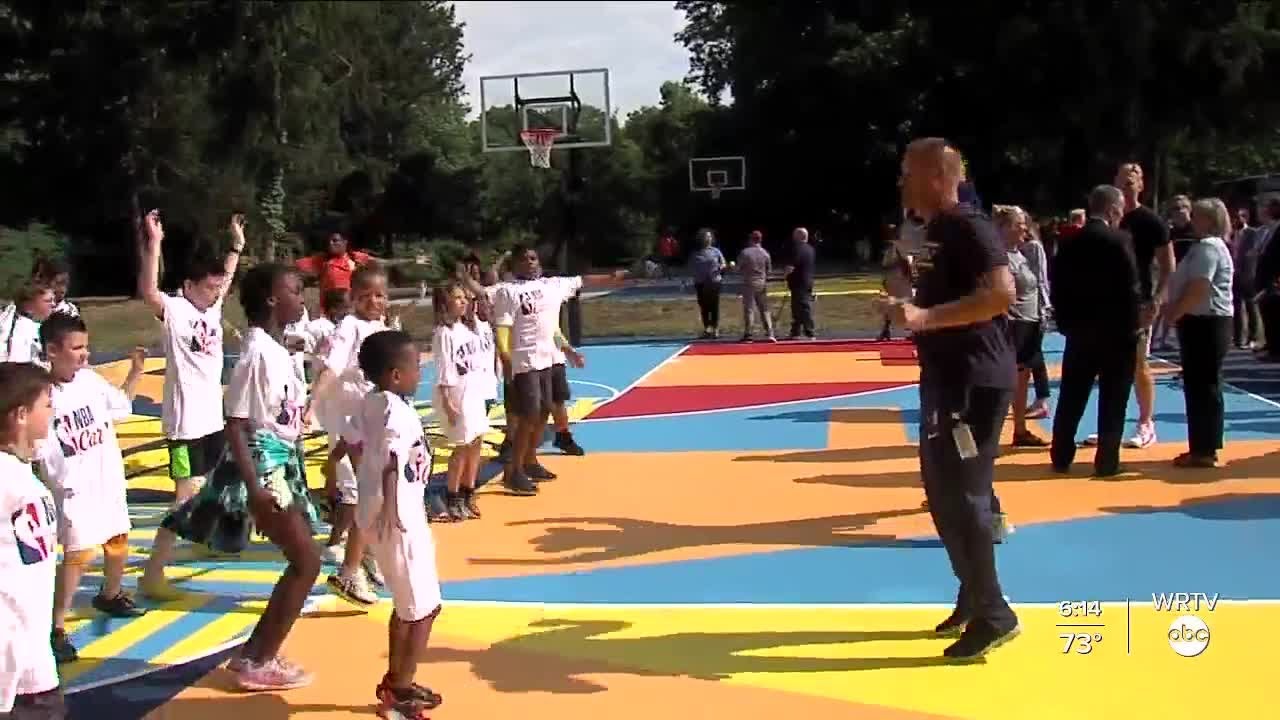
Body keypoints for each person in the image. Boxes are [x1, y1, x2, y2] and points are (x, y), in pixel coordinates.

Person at [879, 137, 1019, 659]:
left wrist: (924, 317)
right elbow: (938, 294)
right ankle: (973, 590)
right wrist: (907, 302)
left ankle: (995, 611)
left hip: (973, 379)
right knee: (941, 491)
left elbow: (1002, 293)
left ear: (938, 175)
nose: (902, 182)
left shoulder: (968, 224)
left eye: (908, 172)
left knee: (964, 493)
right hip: (945, 377)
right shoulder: (935, 231)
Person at [163, 263, 321, 690]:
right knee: (307, 562)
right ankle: (259, 660)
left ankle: (255, 653)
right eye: (294, 290)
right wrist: (256, 486)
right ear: (271, 299)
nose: (301, 297)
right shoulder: (255, 354)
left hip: (282, 460)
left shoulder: (277, 348)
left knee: (303, 562)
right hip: (265, 467)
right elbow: (235, 423)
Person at [136, 211, 243, 601]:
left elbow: (226, 277)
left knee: (214, 484)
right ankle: (152, 574)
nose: (217, 294)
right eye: (210, 288)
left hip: (211, 418)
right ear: (188, 285)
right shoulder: (176, 310)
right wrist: (154, 244)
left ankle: (204, 534)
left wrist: (236, 245)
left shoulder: (210, 309)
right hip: (185, 426)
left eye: (218, 290)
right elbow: (148, 290)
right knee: (184, 497)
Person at [37, 314, 147, 665]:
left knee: (118, 541)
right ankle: (54, 627)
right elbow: (35, 445)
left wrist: (136, 371)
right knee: (78, 556)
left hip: (107, 480)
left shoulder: (89, 381)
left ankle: (110, 594)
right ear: (52, 351)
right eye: (77, 348)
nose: (85, 354)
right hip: (74, 489)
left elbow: (122, 406)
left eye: (86, 346)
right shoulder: (42, 393)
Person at [353, 330, 445, 718]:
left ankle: (398, 678)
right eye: (414, 367)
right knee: (424, 609)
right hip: (399, 519)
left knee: (408, 605)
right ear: (394, 375)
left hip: (394, 515)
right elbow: (392, 459)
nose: (419, 372)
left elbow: (364, 450)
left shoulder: (374, 403)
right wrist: (391, 508)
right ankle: (399, 693)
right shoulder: (395, 412)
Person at [1049, 185, 1142, 476]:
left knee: (1072, 395)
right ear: (1114, 209)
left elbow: (1057, 286)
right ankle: (1107, 460)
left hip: (1079, 330)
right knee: (1114, 398)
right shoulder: (1120, 240)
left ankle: (1061, 454)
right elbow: (1131, 288)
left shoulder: (1069, 242)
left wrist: (1065, 323)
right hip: (1116, 331)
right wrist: (1135, 326)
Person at [312, 264, 390, 606]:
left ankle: (366, 554)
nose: (374, 301)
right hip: (351, 425)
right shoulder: (350, 328)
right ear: (353, 297)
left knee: (379, 495)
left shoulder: (379, 327)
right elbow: (332, 368)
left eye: (380, 295)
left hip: (375, 422)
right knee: (363, 497)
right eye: (366, 295)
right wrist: (312, 402)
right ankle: (349, 570)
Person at [492, 246, 582, 495]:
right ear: (515, 265)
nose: (530, 263)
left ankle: (530, 460)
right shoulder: (508, 292)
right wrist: (506, 359)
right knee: (528, 415)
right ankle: (513, 470)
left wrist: (619, 276)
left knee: (543, 412)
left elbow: (583, 282)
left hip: (548, 359)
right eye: (525, 259)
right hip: (526, 361)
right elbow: (502, 329)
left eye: (533, 258)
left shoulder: (551, 286)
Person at [0, 363, 61, 719]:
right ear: (21, 414)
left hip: (34, 659)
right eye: (47, 404)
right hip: (13, 669)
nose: (52, 412)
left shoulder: (21, 471)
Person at [1163, 199, 1235, 467]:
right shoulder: (1205, 247)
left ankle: (1205, 449)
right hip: (1204, 320)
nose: (1191, 221)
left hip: (1206, 321)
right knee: (1199, 383)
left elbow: (1200, 287)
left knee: (1203, 384)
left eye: (1197, 216)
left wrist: (1175, 312)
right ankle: (1202, 446)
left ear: (1208, 219)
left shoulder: (1208, 249)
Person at [1110, 163, 1172, 449]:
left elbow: (1167, 265)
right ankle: (1111, 424)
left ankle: (1147, 423)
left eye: (1132, 180)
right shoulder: (1109, 218)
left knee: (1138, 362)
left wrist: (1157, 299)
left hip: (1139, 300)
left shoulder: (1150, 221)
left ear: (1141, 184)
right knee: (1110, 364)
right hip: (1110, 300)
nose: (1127, 184)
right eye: (1122, 180)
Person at [431, 283, 490, 521]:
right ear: (445, 303)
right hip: (457, 394)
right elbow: (444, 369)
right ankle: (452, 494)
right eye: (457, 298)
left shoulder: (469, 330)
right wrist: (447, 402)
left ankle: (468, 491)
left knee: (476, 442)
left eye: (465, 297)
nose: (464, 301)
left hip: (474, 391)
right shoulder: (443, 333)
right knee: (461, 446)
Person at [995, 207, 1047, 448]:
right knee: (1005, 381)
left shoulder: (1021, 254)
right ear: (1003, 228)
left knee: (1023, 378)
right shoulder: (1000, 257)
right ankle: (989, 435)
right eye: (1019, 224)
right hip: (1013, 325)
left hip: (1029, 323)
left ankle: (1019, 430)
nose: (1024, 228)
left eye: (1025, 224)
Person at [1019, 215, 1053, 419]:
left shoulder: (1033, 247)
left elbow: (1040, 278)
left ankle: (1042, 400)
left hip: (1034, 308)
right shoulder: (1014, 248)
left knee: (1034, 355)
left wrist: (1043, 308)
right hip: (1020, 309)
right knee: (1028, 355)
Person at [294, 227, 379, 296]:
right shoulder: (322, 260)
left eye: (335, 240)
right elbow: (297, 265)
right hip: (330, 311)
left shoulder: (356, 257)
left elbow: (376, 264)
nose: (331, 243)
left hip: (352, 308)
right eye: (329, 241)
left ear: (345, 242)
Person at [1231, 207, 1262, 349]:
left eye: (1241, 216)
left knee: (1251, 306)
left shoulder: (1253, 233)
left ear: (1246, 218)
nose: (1238, 219)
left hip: (1248, 275)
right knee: (1236, 307)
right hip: (1233, 274)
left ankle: (1253, 337)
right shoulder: (1230, 234)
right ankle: (1238, 339)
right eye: (1236, 216)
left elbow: (1254, 252)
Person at [737, 230, 775, 342]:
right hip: (761, 283)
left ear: (750, 239)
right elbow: (769, 270)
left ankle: (749, 334)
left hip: (749, 283)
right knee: (764, 309)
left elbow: (739, 267)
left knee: (749, 309)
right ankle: (769, 332)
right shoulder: (765, 253)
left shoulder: (745, 252)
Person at [0, 284, 55, 363]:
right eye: (48, 301)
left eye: (53, 300)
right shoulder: (20, 329)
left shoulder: (39, 326)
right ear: (28, 305)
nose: (53, 304)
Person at [688, 229, 726, 339]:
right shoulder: (695, 253)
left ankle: (715, 328)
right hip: (701, 282)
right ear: (701, 239)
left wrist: (721, 267)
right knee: (704, 306)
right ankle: (707, 328)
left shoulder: (716, 251)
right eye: (705, 237)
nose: (707, 239)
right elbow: (691, 267)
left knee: (714, 305)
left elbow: (723, 263)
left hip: (714, 281)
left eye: (709, 237)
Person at [784, 227, 817, 339]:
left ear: (799, 236)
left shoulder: (797, 249)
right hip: (808, 281)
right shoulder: (810, 249)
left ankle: (809, 331)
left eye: (795, 235)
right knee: (797, 307)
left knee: (802, 307)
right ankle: (795, 331)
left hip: (798, 282)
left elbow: (790, 266)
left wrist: (785, 276)